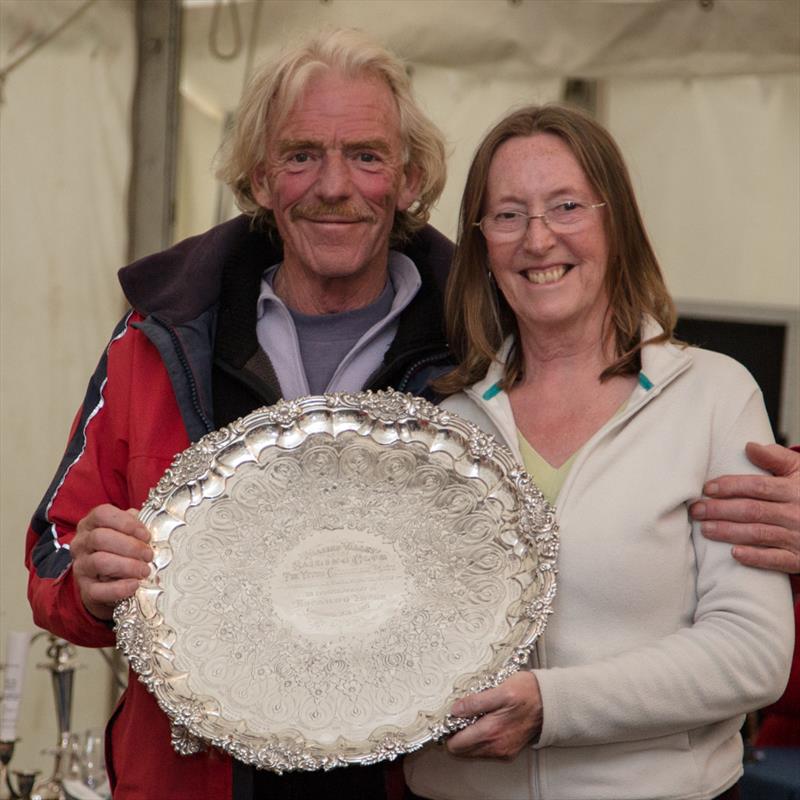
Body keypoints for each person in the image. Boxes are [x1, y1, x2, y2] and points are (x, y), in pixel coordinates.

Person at [23, 26, 798, 800]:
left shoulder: (469, 355)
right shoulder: (161, 339)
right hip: (195, 781)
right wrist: (91, 584)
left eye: (366, 155)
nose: (335, 185)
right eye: (300, 155)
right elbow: (55, 553)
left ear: (409, 178)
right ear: (259, 177)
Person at [403, 105, 794, 800]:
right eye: (507, 215)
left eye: (566, 206)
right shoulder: (443, 423)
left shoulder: (712, 397)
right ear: (481, 243)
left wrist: (552, 707)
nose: (538, 238)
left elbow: (752, 653)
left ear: (617, 223)